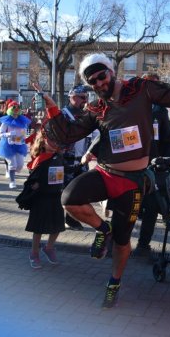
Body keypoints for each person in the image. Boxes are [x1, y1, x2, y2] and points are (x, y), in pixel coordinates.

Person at [43, 46, 170, 308]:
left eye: (101, 76)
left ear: (111, 71)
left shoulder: (141, 89)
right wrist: (52, 110)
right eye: (92, 81)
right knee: (69, 199)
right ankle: (102, 229)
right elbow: (68, 134)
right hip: (106, 173)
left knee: (122, 242)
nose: (98, 83)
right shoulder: (96, 107)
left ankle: (114, 281)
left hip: (132, 182)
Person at [134, 73, 170, 258]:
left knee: (153, 206)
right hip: (131, 166)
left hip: (154, 167)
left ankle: (142, 245)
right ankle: (114, 242)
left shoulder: (160, 111)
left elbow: (169, 140)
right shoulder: (131, 106)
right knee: (125, 207)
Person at [22, 129, 67, 269]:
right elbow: (32, 177)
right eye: (51, 141)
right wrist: (34, 185)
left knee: (58, 225)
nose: (54, 144)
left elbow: (65, 171)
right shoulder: (39, 159)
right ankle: (34, 253)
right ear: (43, 142)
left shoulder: (59, 156)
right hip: (41, 197)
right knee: (39, 227)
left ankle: (49, 248)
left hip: (56, 195)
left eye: (56, 141)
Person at [61, 85, 94, 231]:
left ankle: (71, 218)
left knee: (81, 191)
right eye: (83, 97)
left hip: (83, 159)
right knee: (64, 190)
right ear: (73, 97)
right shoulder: (63, 114)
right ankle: (63, 218)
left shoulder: (87, 114)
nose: (86, 100)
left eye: (87, 97)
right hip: (66, 159)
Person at [0, 101, 32, 189]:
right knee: (13, 164)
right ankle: (12, 181)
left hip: (20, 144)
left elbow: (24, 131)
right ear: (10, 109)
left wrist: (24, 137)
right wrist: (9, 134)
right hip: (8, 145)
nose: (16, 110)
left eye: (17, 108)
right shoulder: (7, 120)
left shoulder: (22, 119)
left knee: (20, 165)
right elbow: (0, 133)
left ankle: (10, 170)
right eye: (14, 108)